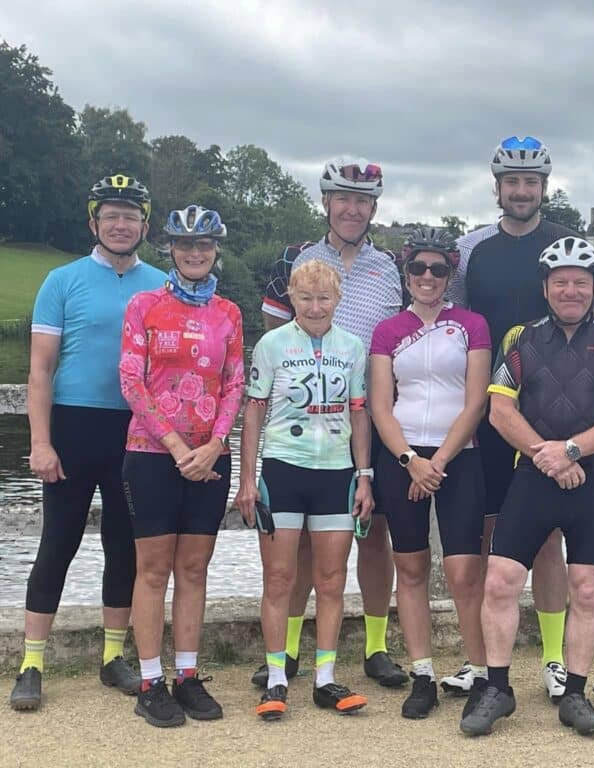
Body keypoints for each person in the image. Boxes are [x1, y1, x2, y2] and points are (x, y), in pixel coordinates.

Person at [459, 237, 594, 737]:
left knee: (585, 591)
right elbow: (500, 410)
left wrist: (572, 451)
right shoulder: (519, 339)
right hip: (532, 476)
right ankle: (497, 688)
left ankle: (576, 694)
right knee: (499, 581)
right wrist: (549, 454)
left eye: (580, 283)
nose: (570, 290)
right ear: (545, 287)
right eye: (560, 281)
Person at [10, 175, 166, 712]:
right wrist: (40, 441)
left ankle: (112, 657)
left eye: (131, 215)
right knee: (58, 542)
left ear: (145, 225)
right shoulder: (63, 280)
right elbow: (40, 369)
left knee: (124, 547)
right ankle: (31, 662)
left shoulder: (162, 284)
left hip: (137, 431)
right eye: (111, 215)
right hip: (74, 426)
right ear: (93, 222)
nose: (121, 224)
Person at [252, 159, 406, 690]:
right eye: (342, 198)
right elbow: (273, 336)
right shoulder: (295, 260)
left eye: (362, 200)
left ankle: (377, 647)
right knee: (293, 548)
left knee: (375, 533)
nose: (351, 208)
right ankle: (289, 650)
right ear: (326, 203)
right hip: (302, 429)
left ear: (373, 208)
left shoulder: (390, 267)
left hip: (369, 416)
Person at [441, 136, 579, 702]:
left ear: (544, 187)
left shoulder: (564, 245)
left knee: (547, 543)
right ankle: (483, 662)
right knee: (485, 535)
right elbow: (457, 322)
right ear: (497, 187)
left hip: (552, 409)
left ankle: (552, 659)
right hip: (490, 408)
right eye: (512, 182)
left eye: (531, 182)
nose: (521, 191)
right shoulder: (476, 252)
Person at [117, 206, 243, 728]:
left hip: (211, 458)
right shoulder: (144, 304)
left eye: (205, 245)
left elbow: (235, 383)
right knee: (153, 570)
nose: (195, 253)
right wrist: (175, 446)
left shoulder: (229, 313)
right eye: (186, 245)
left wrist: (215, 445)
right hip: (152, 455)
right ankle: (150, 680)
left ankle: (188, 675)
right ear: (169, 248)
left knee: (194, 569)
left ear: (215, 250)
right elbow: (131, 379)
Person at [235, 259, 373, 721]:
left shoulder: (353, 347)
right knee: (279, 578)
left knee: (332, 580)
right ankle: (276, 679)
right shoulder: (272, 345)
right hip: (283, 470)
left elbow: (359, 414)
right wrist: (247, 478)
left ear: (338, 300)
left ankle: (325, 678)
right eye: (306, 298)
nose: (316, 307)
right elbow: (253, 412)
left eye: (324, 298)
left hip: (336, 472)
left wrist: (365, 475)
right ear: (291, 298)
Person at [369, 228, 491, 719]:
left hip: (457, 455)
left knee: (465, 572)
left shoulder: (471, 324)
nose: (427, 277)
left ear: (449, 276)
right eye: (418, 268)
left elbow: (477, 399)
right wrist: (409, 461)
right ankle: (422, 674)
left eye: (438, 270)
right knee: (412, 567)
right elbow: (381, 405)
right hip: (403, 458)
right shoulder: (388, 329)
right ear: (406, 274)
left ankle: (483, 673)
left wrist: (437, 461)